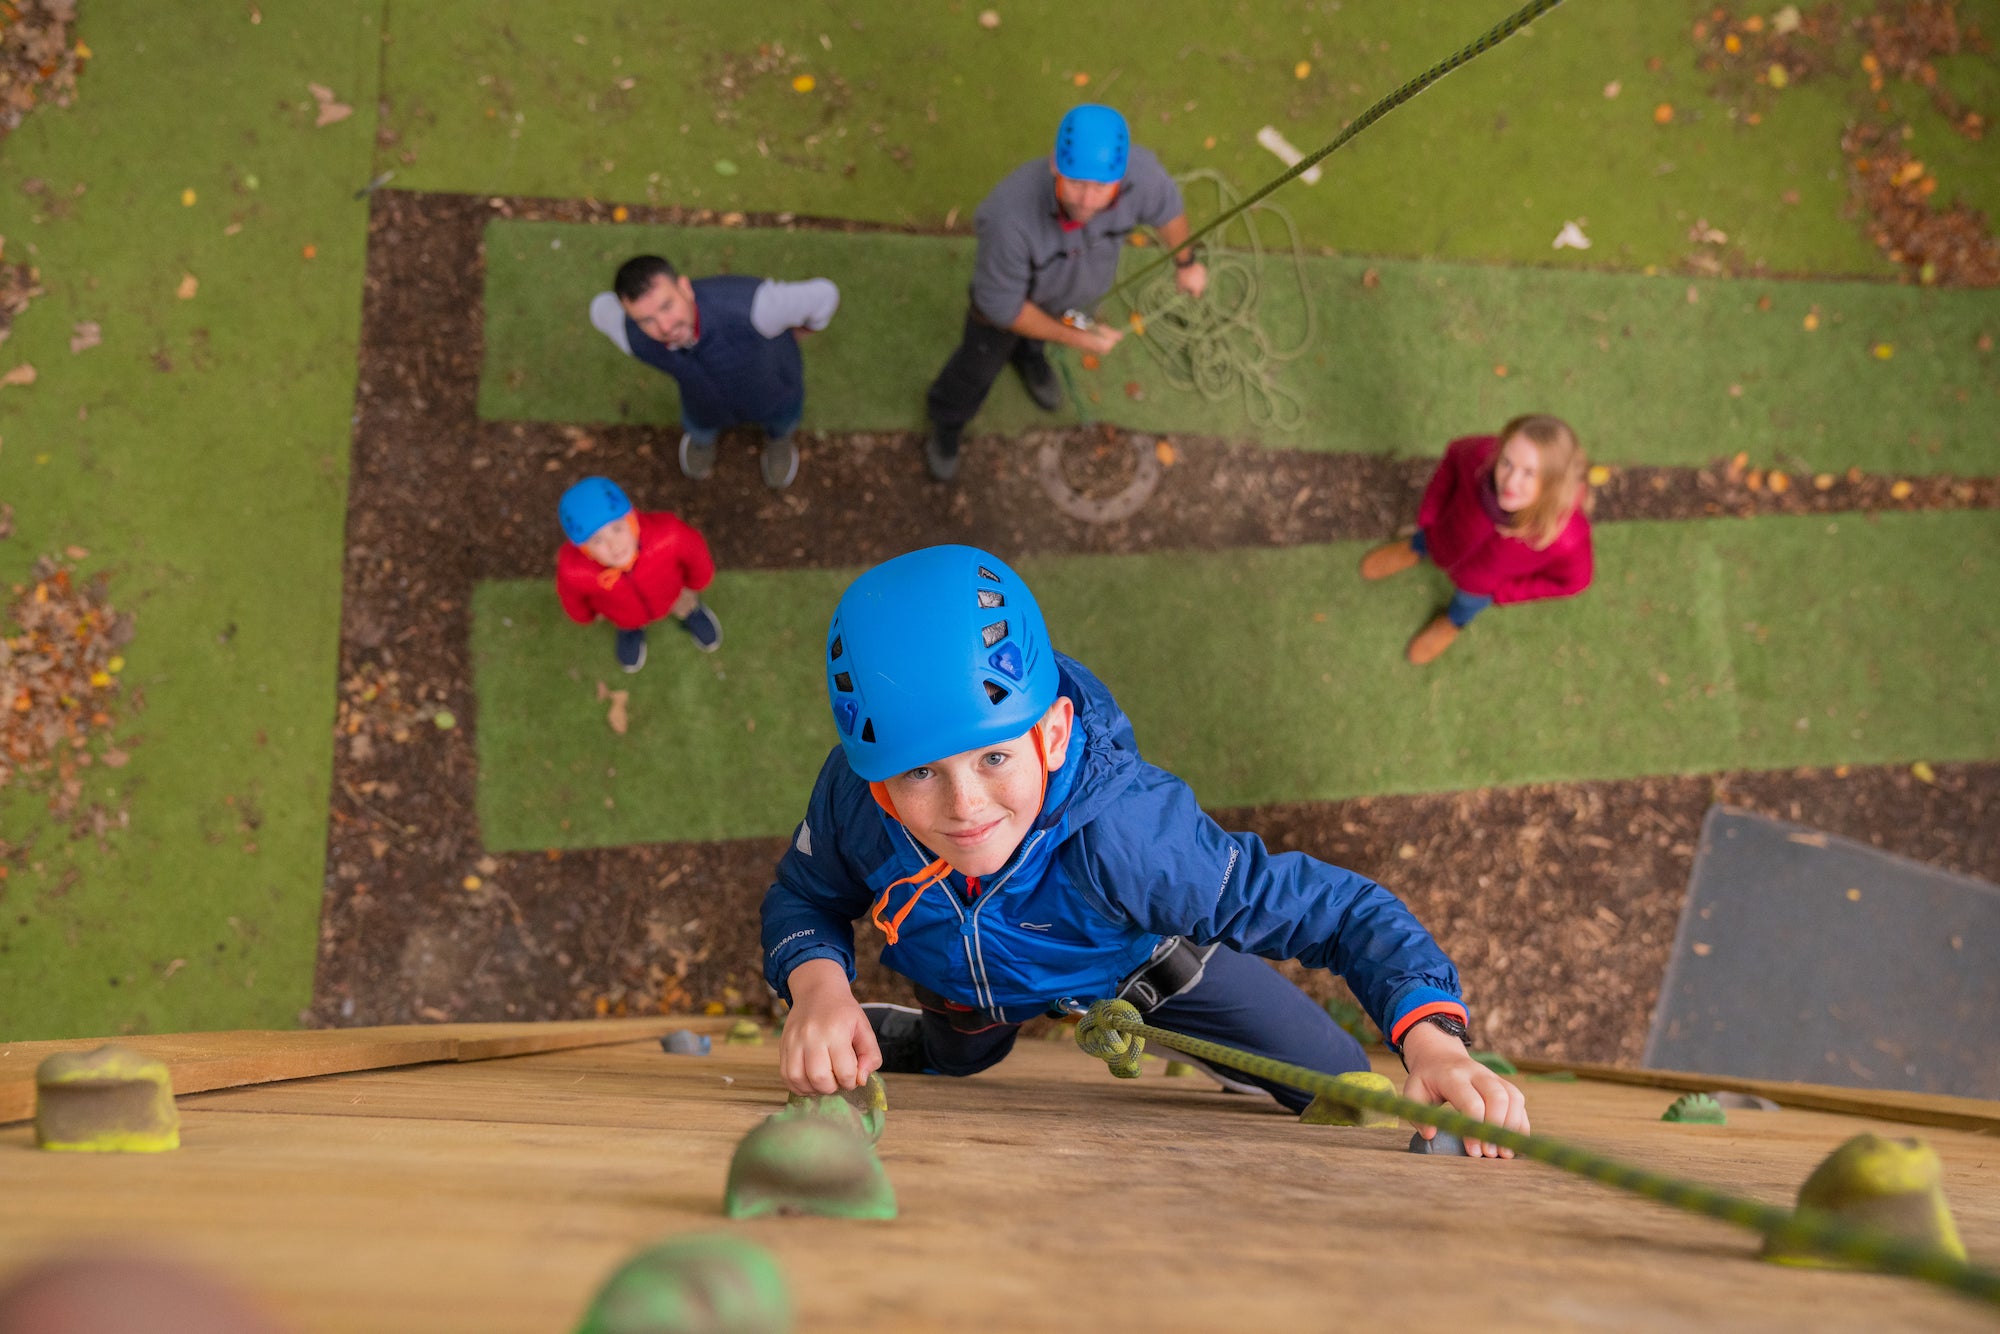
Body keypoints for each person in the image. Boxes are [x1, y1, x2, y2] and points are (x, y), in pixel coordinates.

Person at [761, 544, 1529, 1156]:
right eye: (922, 773)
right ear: (878, 781)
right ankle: (920, 1036)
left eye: (995, 758)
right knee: (959, 1059)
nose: (965, 810)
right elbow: (807, 895)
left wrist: (1434, 1041)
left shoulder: (1132, 837)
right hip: (964, 988)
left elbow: (1339, 913)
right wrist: (820, 988)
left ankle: (1226, 1060)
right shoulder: (854, 796)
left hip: (1152, 977)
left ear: (1054, 734)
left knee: (1337, 1085)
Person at [921, 105, 1209, 483]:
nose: (1087, 201)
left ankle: (1032, 359)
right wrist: (1077, 338)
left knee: (1041, 342)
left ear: (1120, 177)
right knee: (976, 369)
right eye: (1076, 183)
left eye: (1101, 187)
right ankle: (946, 422)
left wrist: (1186, 263)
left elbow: (1167, 208)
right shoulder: (1008, 217)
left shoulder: (1142, 176)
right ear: (1055, 164)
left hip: (1075, 305)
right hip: (1001, 317)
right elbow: (1003, 308)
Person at [589, 255, 839, 490]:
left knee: (783, 421)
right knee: (699, 425)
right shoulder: (634, 337)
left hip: (776, 391)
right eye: (646, 320)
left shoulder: (753, 308)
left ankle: (779, 441)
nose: (665, 326)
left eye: (667, 306)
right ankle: (701, 442)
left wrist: (805, 330)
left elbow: (825, 295)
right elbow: (600, 308)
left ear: (685, 288)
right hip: (703, 406)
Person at [1361, 415, 1594, 665]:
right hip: (1441, 536)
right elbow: (1452, 458)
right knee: (1424, 541)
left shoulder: (1567, 537)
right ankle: (1415, 549)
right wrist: (1430, 515)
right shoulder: (1479, 455)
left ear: (1553, 482)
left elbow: (1573, 583)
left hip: (1479, 587)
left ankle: (1452, 623)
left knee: (1465, 606)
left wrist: (1504, 593)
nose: (1510, 482)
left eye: (1529, 473)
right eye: (1507, 462)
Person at [556, 476, 720, 673]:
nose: (614, 545)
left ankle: (691, 611)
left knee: (683, 602)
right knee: (628, 621)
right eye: (597, 540)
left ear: (631, 519)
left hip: (673, 593)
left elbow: (696, 554)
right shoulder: (575, 571)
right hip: (622, 612)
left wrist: (697, 583)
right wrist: (584, 616)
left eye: (617, 529)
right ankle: (631, 631)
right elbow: (571, 597)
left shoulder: (669, 535)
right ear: (584, 549)